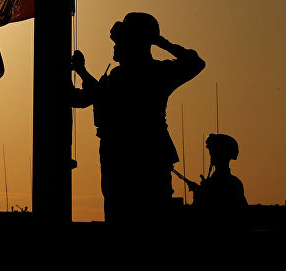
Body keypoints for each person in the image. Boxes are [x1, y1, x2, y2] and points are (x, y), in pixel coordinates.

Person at [76, 12, 206, 225]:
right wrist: (81, 71)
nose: (115, 46)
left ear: (135, 42)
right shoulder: (120, 76)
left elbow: (195, 63)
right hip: (118, 157)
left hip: (141, 158)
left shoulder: (156, 72)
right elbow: (91, 97)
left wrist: (159, 41)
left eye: (121, 40)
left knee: (144, 215)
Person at [189, 134, 247, 228]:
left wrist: (199, 194)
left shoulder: (231, 184)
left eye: (213, 152)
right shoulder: (235, 182)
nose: (211, 155)